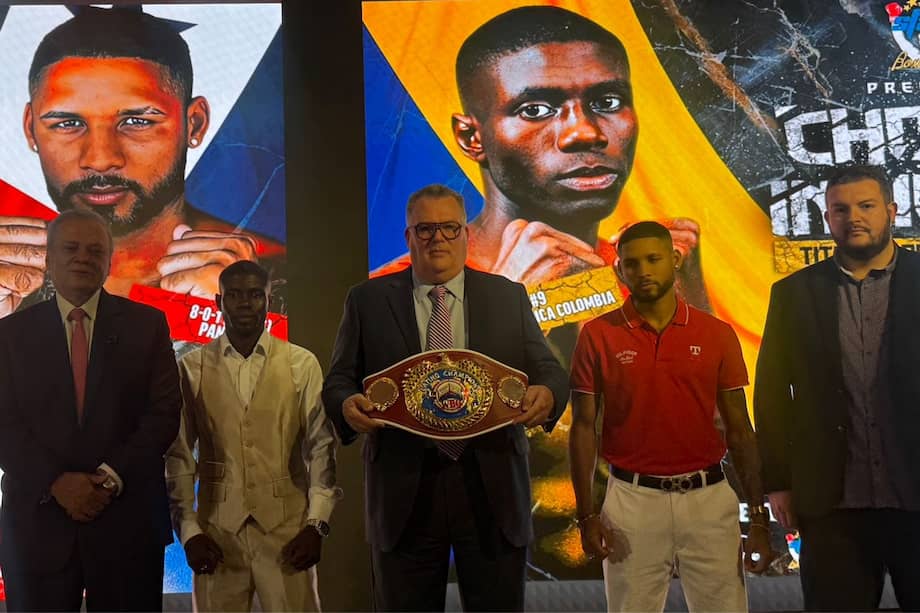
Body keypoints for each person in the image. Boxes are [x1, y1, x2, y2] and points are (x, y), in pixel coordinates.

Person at [322, 184, 568, 611]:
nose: (438, 239)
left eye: (450, 228)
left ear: (466, 235)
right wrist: (345, 404)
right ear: (409, 237)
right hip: (403, 492)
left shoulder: (506, 296)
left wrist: (546, 393)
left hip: (491, 488)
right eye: (426, 229)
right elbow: (339, 379)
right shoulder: (367, 301)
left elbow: (548, 370)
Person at [372, 6, 708, 311]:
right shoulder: (397, 290)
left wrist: (689, 314)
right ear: (472, 138)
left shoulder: (640, 273)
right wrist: (509, 302)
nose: (586, 133)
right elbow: (418, 380)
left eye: (607, 102)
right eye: (535, 110)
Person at [0, 6, 284, 319]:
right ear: (30, 129)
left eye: (136, 121)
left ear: (195, 124)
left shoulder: (274, 281)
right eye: (68, 124)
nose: (100, 159)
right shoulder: (9, 280)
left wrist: (237, 325)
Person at [569, 221, 771, 612]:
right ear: (619, 270)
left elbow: (740, 430)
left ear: (674, 261)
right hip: (630, 500)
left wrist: (759, 517)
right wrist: (586, 515)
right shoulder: (598, 335)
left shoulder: (716, 333)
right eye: (632, 263)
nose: (643, 270)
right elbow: (582, 428)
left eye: (654, 259)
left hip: (708, 498)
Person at [755, 164, 920, 611]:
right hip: (832, 504)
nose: (854, 218)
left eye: (866, 206)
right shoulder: (793, 294)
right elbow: (770, 397)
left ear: (891, 210)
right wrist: (778, 482)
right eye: (840, 209)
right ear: (827, 219)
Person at [0, 208, 181, 611]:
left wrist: (109, 477)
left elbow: (164, 412)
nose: (83, 257)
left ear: (109, 260)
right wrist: (56, 482)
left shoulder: (148, 325)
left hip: (128, 520)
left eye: (95, 249)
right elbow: (4, 423)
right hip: (37, 524)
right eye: (71, 248)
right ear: (47, 259)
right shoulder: (10, 334)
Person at [165, 260, 341, 612]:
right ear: (218, 302)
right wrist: (188, 531)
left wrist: (317, 523)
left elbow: (322, 447)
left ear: (268, 300)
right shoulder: (191, 367)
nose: (245, 303)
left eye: (255, 295)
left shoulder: (300, 363)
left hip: (288, 531)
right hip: (216, 533)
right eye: (234, 295)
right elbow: (179, 454)